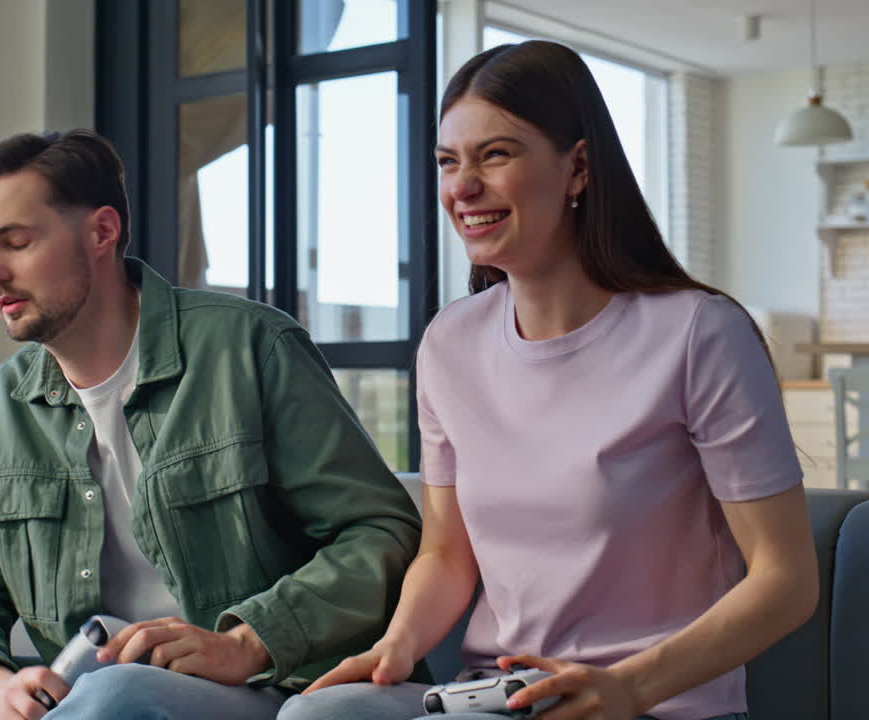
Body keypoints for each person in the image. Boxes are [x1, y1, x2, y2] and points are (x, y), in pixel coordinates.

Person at [0, 129, 424, 720]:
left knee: (116, 696)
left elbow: (379, 532)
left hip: (257, 685)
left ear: (101, 233)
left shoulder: (248, 349)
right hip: (83, 694)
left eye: (16, 243)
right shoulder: (2, 407)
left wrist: (246, 642)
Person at [277, 40, 818, 720]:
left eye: (495, 155)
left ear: (579, 167)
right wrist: (395, 646)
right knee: (316, 715)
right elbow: (447, 553)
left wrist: (630, 686)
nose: (462, 186)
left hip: (653, 705)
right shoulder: (450, 343)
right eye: (449, 161)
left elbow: (787, 580)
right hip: (495, 699)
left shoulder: (698, 333)